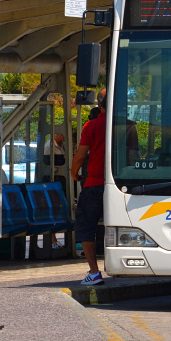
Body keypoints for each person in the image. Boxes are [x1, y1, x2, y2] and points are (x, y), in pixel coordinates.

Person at [70, 90, 107, 286]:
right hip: (121, 186)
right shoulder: (128, 127)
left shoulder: (92, 126)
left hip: (94, 184)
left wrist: (74, 172)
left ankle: (94, 272)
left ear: (99, 106)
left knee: (86, 226)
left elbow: (81, 155)